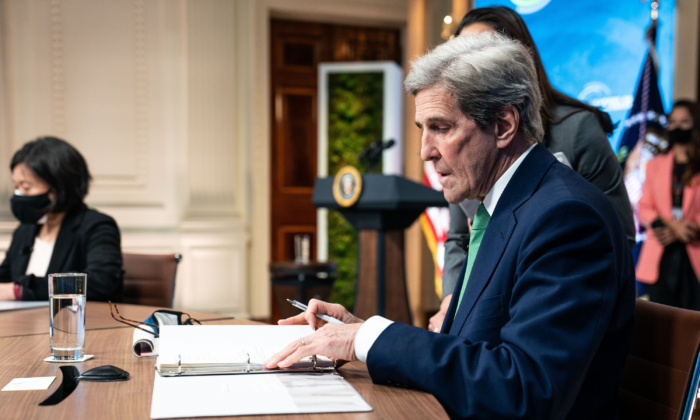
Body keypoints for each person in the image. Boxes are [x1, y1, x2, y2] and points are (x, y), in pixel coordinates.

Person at [265, 33, 636, 419]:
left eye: (441, 127)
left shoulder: (566, 218)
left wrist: (371, 338)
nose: (425, 151)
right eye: (422, 128)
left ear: (504, 124)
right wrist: (360, 333)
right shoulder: (509, 205)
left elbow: (525, 389)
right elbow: (473, 347)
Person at [429, 6, 635, 333]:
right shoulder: (464, 151)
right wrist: (453, 305)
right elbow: (459, 239)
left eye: (482, 53)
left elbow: (617, 235)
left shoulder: (578, 131)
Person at [0, 137, 123, 302]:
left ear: (59, 186)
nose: (19, 195)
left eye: (26, 187)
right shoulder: (26, 229)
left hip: (72, 324)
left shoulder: (97, 226)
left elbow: (100, 283)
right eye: (17, 187)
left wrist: (19, 290)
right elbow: (4, 276)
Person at [637, 100, 700, 309]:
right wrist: (675, 228)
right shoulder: (655, 164)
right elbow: (644, 207)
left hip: (694, 250)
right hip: (661, 250)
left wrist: (687, 230)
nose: (677, 127)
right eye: (672, 122)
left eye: (684, 121)